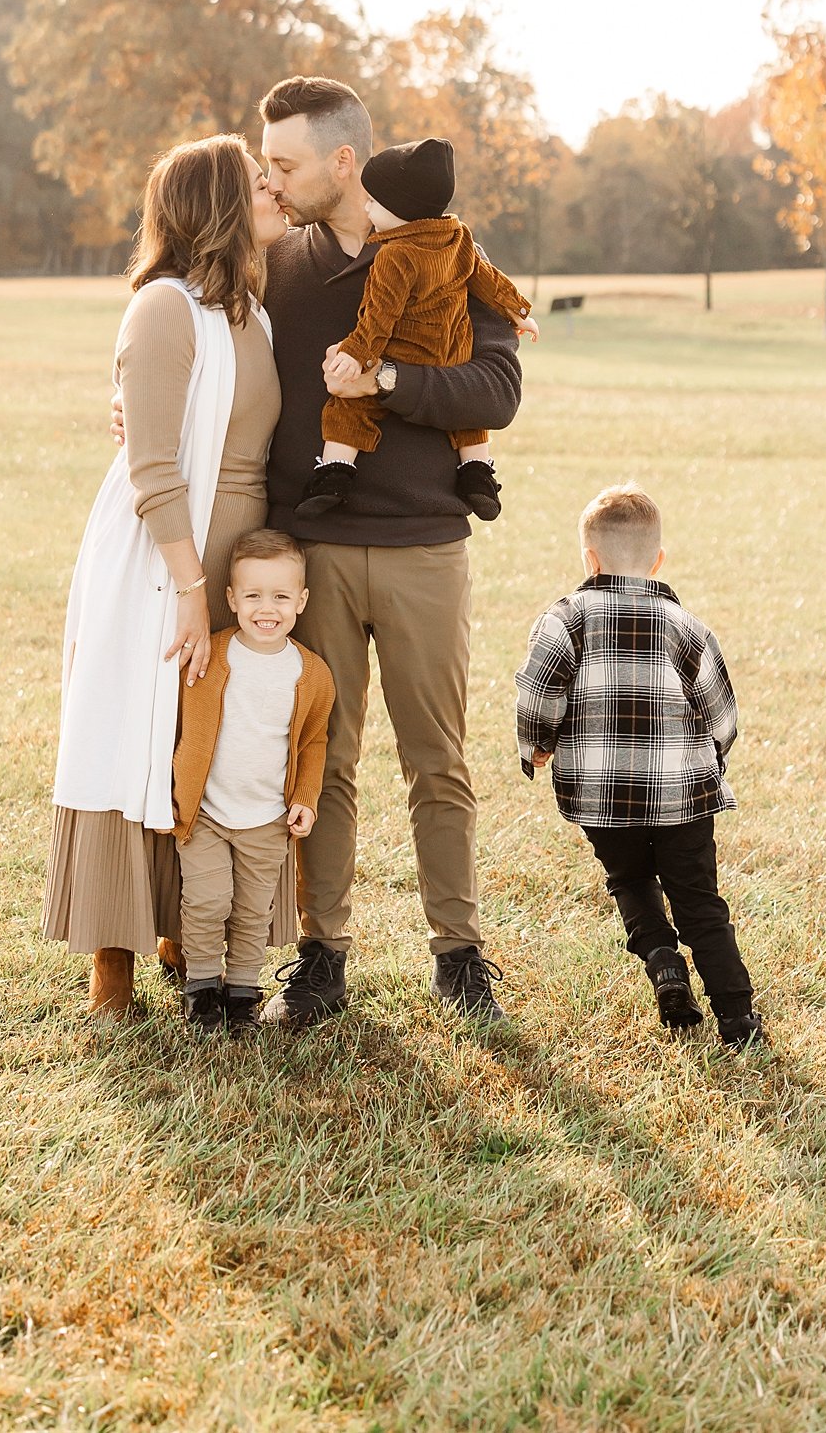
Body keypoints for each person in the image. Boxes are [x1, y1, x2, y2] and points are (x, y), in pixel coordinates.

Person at [258, 76, 522, 1025]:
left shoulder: (446, 248)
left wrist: (391, 375)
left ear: (344, 160)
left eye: (287, 162)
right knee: (319, 761)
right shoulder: (276, 264)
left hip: (423, 548)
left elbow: (496, 391)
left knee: (437, 762)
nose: (274, 180)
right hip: (312, 554)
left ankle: (459, 958)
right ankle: (321, 957)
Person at [43, 133, 289, 1019]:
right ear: (221, 204)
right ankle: (114, 959)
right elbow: (152, 466)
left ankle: (196, 935)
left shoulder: (251, 313)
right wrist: (190, 586)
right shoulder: (162, 309)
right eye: (260, 182)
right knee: (133, 738)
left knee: (212, 745)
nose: (276, 191)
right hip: (161, 557)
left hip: (239, 556)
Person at [514, 482, 765, 1046]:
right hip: (683, 798)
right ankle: (736, 1017)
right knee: (699, 900)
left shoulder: (564, 621)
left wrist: (537, 747)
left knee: (628, 877)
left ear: (589, 558)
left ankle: (662, 962)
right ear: (657, 561)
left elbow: (537, 694)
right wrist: (710, 759)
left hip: (601, 797)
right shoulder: (686, 626)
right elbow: (721, 714)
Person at [294, 136, 539, 526]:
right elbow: (486, 278)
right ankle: (477, 472)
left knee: (351, 404)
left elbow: (378, 317)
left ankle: (335, 472)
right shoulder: (458, 238)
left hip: (405, 349)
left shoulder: (394, 256)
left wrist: (355, 355)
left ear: (401, 211)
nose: (366, 206)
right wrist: (517, 309)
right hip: (452, 348)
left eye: (374, 202)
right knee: (466, 420)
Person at [171, 529, 335, 1037]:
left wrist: (305, 798)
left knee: (250, 911)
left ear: (301, 601)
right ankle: (201, 989)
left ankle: (242, 993)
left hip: (267, 820)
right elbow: (177, 724)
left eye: (281, 596)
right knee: (206, 901)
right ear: (231, 599)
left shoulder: (311, 674)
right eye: (254, 595)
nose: (268, 608)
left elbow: (313, 743)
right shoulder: (209, 656)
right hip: (207, 814)